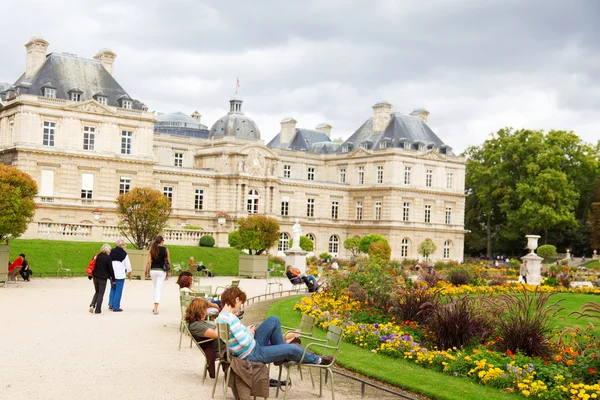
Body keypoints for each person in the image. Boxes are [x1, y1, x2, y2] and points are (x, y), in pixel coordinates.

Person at [216, 287, 333, 366]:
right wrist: (250, 333)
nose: (240, 307)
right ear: (237, 300)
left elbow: (238, 338)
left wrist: (247, 331)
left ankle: (280, 355)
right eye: (241, 304)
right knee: (292, 349)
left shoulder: (222, 316)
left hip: (250, 349)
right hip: (252, 354)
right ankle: (318, 360)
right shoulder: (231, 319)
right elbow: (245, 342)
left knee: (274, 320)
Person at [185, 297, 220, 378]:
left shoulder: (198, 322)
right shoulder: (196, 325)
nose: (206, 313)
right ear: (199, 311)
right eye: (205, 310)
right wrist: (219, 323)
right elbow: (216, 334)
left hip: (225, 342)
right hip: (222, 348)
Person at [145, 236, 171, 315]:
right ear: (161, 241)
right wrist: (170, 270)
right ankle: (156, 308)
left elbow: (149, 262)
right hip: (161, 271)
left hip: (153, 270)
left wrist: (147, 272)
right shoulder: (165, 249)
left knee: (156, 288)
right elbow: (169, 261)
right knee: (158, 289)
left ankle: (155, 307)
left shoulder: (152, 250)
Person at [89, 244, 116, 314]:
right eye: (109, 250)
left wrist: (90, 275)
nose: (110, 251)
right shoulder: (108, 258)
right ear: (106, 250)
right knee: (101, 293)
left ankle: (92, 305)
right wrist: (113, 279)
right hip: (103, 278)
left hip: (95, 276)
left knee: (97, 291)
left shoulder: (96, 255)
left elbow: (92, 265)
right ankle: (98, 309)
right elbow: (111, 270)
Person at [108, 239, 131, 312]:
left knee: (113, 288)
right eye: (124, 245)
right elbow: (128, 265)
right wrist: (129, 273)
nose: (124, 246)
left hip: (112, 274)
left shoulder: (111, 252)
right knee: (119, 290)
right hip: (120, 274)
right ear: (121, 245)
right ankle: (116, 306)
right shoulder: (124, 254)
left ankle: (111, 303)